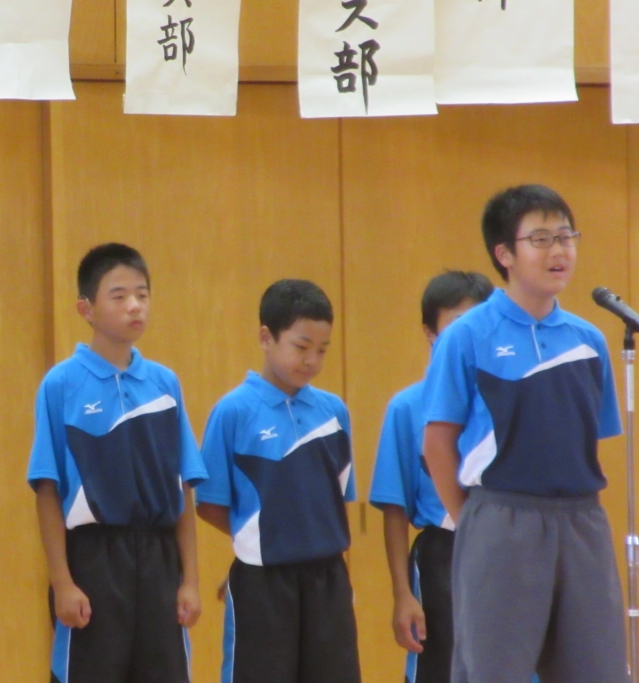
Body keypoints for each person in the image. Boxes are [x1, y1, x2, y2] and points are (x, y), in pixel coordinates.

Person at [423, 184, 628, 683]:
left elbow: (588, 441)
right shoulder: (466, 336)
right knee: (496, 670)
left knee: (597, 669)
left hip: (582, 522)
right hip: (501, 519)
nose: (559, 250)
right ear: (504, 254)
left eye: (566, 236)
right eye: (541, 238)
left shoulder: (589, 340)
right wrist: (475, 522)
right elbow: (437, 443)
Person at [27, 242, 207, 683]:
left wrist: (190, 580)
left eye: (142, 295)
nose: (134, 306)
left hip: (159, 560)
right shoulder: (61, 384)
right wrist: (63, 582)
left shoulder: (165, 384)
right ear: (86, 309)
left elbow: (183, 487)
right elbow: (47, 489)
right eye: (119, 295)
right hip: (93, 561)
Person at [196, 278, 360, 683]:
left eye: (322, 350)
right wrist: (262, 540)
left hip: (328, 581)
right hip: (263, 583)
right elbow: (210, 503)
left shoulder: (333, 412)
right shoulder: (232, 412)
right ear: (266, 337)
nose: (312, 361)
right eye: (301, 347)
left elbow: (338, 498)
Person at [369, 270, 493, 683]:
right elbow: (394, 508)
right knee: (440, 667)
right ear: (429, 332)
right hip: (442, 554)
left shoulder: (505, 399)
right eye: (456, 324)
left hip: (504, 544)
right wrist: (402, 594)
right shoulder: (407, 408)